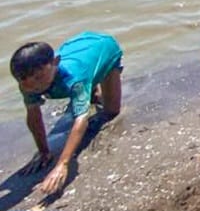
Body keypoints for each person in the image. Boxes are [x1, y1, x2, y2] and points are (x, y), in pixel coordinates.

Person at [11, 32, 123, 196]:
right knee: (85, 95)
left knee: (111, 111)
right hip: (77, 47)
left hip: (103, 47)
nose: (34, 86)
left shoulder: (74, 78)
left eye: (38, 77)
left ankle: (94, 84)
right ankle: (89, 91)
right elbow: (33, 116)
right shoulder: (28, 83)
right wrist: (43, 151)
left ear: (55, 62)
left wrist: (62, 164)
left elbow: (81, 120)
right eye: (23, 80)